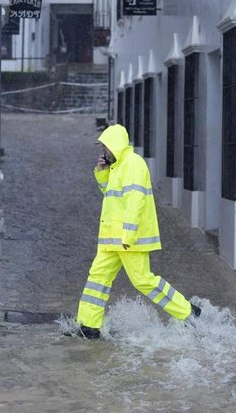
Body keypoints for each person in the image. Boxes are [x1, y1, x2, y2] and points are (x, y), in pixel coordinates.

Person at [71, 124, 200, 340]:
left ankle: (187, 311)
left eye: (105, 147)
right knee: (97, 278)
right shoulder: (117, 166)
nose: (103, 151)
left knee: (143, 280)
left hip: (126, 238)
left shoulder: (133, 164)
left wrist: (128, 235)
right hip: (111, 238)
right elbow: (112, 197)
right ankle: (88, 326)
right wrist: (102, 174)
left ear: (116, 145)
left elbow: (135, 202)